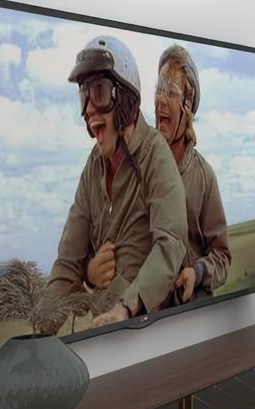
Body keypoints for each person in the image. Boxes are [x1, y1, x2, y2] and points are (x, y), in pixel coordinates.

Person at [43, 35, 186, 325]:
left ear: (124, 97)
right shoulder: (93, 167)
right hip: (100, 332)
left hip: (145, 330)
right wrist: (38, 332)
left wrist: (124, 309)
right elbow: (67, 261)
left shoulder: (155, 155)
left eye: (98, 92)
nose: (89, 109)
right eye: (84, 96)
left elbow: (170, 244)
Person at [153, 43, 231, 305]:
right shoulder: (138, 169)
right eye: (159, 89)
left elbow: (221, 257)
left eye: (171, 91)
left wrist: (197, 273)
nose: (161, 100)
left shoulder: (204, 177)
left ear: (188, 105)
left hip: (193, 319)